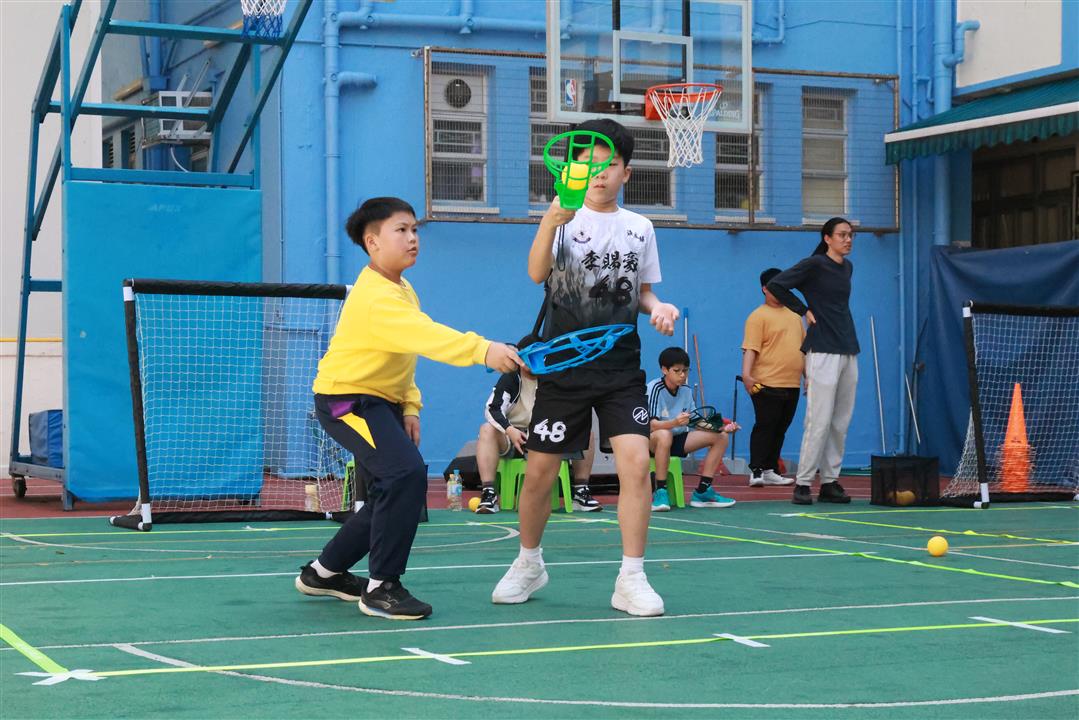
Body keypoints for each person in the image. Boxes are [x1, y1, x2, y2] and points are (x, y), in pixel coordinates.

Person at [295, 196, 522, 620]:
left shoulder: (400, 288)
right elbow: (425, 336)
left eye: (414, 229)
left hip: (378, 400)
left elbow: (403, 354)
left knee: (394, 484)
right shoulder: (376, 297)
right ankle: (382, 587)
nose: (413, 238)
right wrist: (484, 350)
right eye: (401, 230)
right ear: (373, 242)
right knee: (405, 475)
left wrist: (410, 406)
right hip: (347, 401)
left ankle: (324, 573)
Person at [490, 119, 680, 617]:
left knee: (635, 464)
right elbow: (536, 273)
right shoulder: (562, 219)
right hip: (565, 366)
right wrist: (549, 221)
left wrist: (659, 307)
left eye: (609, 164)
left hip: (620, 368)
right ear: (571, 169)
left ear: (626, 173)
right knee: (540, 473)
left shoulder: (641, 228)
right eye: (587, 164)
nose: (598, 173)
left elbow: (641, 292)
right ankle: (529, 562)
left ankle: (631, 578)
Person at [766, 217, 859, 506]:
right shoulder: (815, 264)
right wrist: (803, 310)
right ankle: (804, 483)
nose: (848, 239)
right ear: (827, 238)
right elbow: (776, 285)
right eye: (842, 235)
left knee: (840, 421)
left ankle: (830, 481)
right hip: (822, 349)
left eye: (850, 235)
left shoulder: (847, 267)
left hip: (848, 348)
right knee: (818, 420)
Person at [475, 335, 601, 513]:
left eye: (540, 357)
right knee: (486, 430)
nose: (534, 363)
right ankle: (489, 493)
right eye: (530, 358)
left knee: (585, 430)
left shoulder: (555, 377)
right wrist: (509, 430)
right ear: (520, 359)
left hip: (548, 435)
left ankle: (581, 491)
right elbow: (492, 408)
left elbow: (571, 409)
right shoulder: (511, 378)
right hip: (516, 438)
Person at [646, 346, 738, 511]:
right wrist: (675, 422)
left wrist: (721, 428)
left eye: (685, 370)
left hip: (677, 439)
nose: (682, 375)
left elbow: (695, 421)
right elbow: (652, 425)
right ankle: (660, 492)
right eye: (677, 371)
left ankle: (703, 491)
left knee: (721, 437)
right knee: (665, 435)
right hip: (653, 441)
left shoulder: (686, 391)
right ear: (664, 370)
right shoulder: (654, 388)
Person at [741, 268, 803, 488]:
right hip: (765, 382)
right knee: (765, 426)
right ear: (765, 289)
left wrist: (808, 377)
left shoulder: (795, 315)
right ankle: (757, 470)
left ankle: (770, 470)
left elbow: (803, 349)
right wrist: (747, 376)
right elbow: (750, 348)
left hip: (792, 383)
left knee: (780, 428)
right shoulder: (758, 316)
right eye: (777, 285)